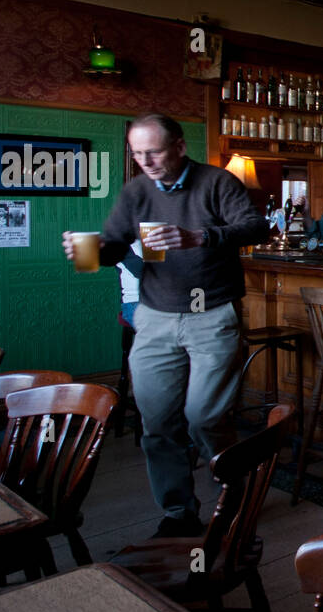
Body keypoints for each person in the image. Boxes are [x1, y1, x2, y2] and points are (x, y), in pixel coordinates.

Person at [62, 113, 269, 537]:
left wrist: (200, 237)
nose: (146, 161)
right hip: (156, 315)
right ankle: (179, 514)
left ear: (178, 146)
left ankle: (236, 492)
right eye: (138, 154)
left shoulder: (216, 183)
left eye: (153, 152)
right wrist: (91, 252)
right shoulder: (137, 191)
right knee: (156, 423)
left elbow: (255, 227)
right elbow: (116, 246)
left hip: (212, 312)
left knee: (204, 417)